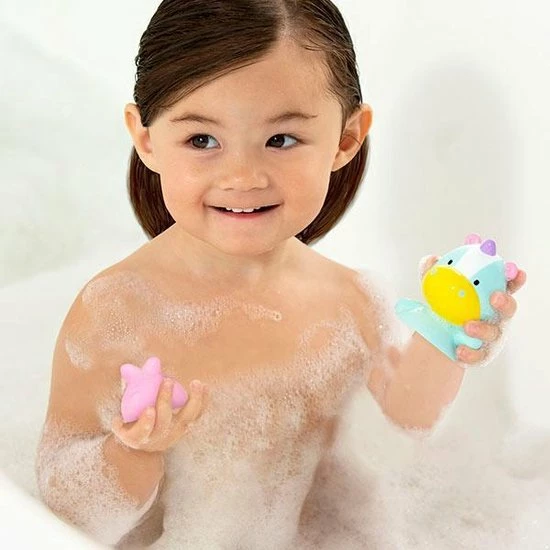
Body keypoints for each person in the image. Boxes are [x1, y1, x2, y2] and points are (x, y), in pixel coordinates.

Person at [35, 0, 526, 548]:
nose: (243, 176)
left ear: (346, 138)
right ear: (146, 138)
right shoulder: (117, 309)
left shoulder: (349, 300)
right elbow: (63, 506)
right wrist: (133, 451)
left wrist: (446, 335)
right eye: (202, 141)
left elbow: (406, 421)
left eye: (281, 140)